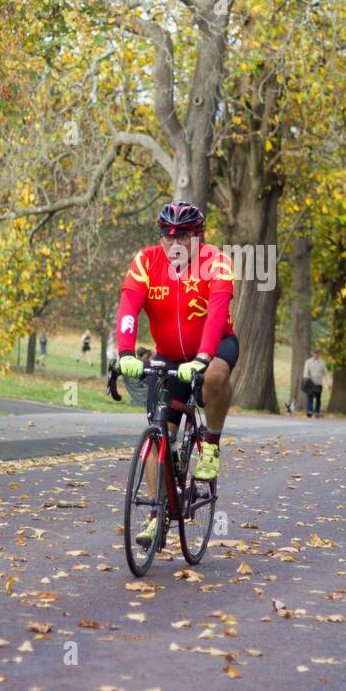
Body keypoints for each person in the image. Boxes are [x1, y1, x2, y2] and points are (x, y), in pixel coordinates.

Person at [114, 201, 239, 549]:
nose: (174, 243)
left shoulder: (216, 262)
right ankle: (157, 516)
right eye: (167, 236)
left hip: (214, 348)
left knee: (215, 375)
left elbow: (216, 315)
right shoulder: (145, 262)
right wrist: (124, 352)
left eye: (182, 235)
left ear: (198, 237)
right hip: (169, 356)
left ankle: (210, 445)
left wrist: (202, 356)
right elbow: (128, 307)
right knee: (158, 435)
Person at [303, 349, 329, 418]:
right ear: (312, 354)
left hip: (319, 383)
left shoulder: (322, 362)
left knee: (318, 398)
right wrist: (307, 380)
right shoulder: (308, 362)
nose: (316, 355)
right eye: (315, 353)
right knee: (310, 397)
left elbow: (325, 373)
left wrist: (328, 382)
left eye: (317, 354)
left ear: (319, 354)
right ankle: (309, 411)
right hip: (310, 383)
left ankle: (317, 412)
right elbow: (305, 372)